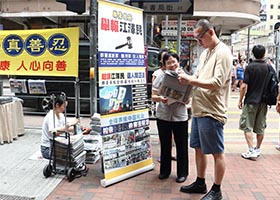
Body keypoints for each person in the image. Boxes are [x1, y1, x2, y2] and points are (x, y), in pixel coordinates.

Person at [178, 19, 232, 200]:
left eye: (200, 38)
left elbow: (217, 83)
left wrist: (190, 81)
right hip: (199, 109)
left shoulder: (223, 53)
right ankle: (200, 182)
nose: (198, 42)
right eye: (196, 39)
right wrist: (184, 82)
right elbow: (198, 77)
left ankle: (217, 190)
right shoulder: (205, 53)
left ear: (210, 33)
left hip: (212, 111)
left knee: (217, 152)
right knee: (198, 148)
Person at [152, 51, 189, 183]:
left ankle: (182, 173)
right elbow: (153, 95)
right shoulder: (160, 76)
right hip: (163, 115)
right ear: (164, 65)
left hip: (180, 116)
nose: (172, 65)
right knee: (165, 144)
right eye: (168, 63)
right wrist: (161, 98)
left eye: (174, 61)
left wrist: (185, 99)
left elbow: (190, 98)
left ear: (178, 62)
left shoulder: (185, 77)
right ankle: (164, 171)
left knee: (182, 145)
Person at [238, 45, 274, 159]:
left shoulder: (250, 67)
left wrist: (240, 100)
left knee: (247, 126)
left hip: (251, 101)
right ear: (264, 54)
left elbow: (244, 86)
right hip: (264, 102)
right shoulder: (269, 67)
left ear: (253, 54)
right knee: (260, 127)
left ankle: (251, 149)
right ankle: (258, 148)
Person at [41, 93, 79, 159]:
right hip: (48, 149)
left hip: (55, 145)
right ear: (57, 105)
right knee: (71, 154)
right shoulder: (50, 116)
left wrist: (77, 128)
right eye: (64, 106)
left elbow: (66, 126)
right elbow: (55, 132)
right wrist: (70, 124)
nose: (64, 109)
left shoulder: (60, 115)